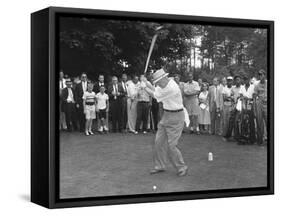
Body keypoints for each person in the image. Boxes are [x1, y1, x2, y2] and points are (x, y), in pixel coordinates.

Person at [143, 68, 188, 177]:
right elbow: (155, 90)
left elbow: (155, 95)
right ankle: (160, 166)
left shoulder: (172, 88)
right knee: (158, 142)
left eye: (158, 82)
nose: (157, 84)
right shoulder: (163, 84)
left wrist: (144, 87)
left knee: (172, 145)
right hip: (166, 115)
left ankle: (182, 167)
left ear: (163, 78)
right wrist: (146, 82)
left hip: (177, 117)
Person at [224, 75, 245, 142]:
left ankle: (237, 137)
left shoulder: (242, 88)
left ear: (240, 80)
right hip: (233, 106)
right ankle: (228, 136)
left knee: (237, 121)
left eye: (238, 80)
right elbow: (231, 96)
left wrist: (240, 98)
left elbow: (244, 96)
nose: (237, 81)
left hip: (240, 107)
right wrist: (232, 98)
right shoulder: (233, 88)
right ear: (235, 81)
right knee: (231, 121)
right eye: (236, 80)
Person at [238, 76, 256, 144]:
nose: (246, 81)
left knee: (251, 122)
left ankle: (252, 139)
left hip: (250, 106)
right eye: (244, 79)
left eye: (247, 79)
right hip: (243, 106)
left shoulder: (253, 86)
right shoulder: (242, 87)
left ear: (249, 79)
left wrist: (249, 99)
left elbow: (254, 96)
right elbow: (240, 95)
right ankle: (243, 138)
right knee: (243, 122)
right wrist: (243, 97)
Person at [253, 69, 267, 145]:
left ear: (264, 75)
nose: (260, 76)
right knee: (259, 123)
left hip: (267, 105)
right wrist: (255, 108)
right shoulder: (256, 85)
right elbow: (254, 97)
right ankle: (260, 140)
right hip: (259, 104)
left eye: (261, 74)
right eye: (259, 75)